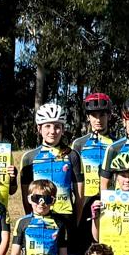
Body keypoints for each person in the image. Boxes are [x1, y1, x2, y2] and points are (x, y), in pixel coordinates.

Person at [70, 92, 113, 255]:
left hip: (109, 202)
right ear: (88, 117)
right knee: (82, 253)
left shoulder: (116, 143)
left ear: (109, 116)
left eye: (102, 114)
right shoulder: (78, 144)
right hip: (85, 201)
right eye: (94, 115)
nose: (98, 119)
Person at [18, 102, 79, 240]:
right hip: (40, 215)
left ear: (63, 129)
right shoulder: (29, 158)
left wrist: (76, 220)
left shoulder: (72, 155)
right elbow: (25, 197)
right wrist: (32, 219)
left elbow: (79, 196)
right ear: (39, 128)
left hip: (66, 218)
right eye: (47, 126)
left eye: (57, 126)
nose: (52, 131)